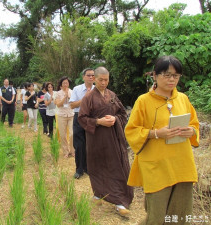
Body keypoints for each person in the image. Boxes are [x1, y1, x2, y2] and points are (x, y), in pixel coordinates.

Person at [125, 56, 199, 225]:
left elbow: (194, 123)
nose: (172, 79)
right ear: (155, 76)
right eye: (167, 75)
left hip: (182, 164)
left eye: (176, 75)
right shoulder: (143, 101)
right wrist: (157, 133)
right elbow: (132, 130)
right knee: (156, 217)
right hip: (156, 165)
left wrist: (191, 130)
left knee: (180, 215)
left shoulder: (183, 99)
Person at [78, 67, 133, 216]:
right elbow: (82, 118)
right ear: (94, 79)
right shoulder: (88, 97)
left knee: (117, 167)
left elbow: (122, 114)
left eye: (106, 80)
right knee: (97, 166)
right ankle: (98, 194)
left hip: (113, 139)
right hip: (96, 139)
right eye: (101, 80)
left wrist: (115, 119)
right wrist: (98, 122)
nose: (104, 82)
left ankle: (120, 201)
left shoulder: (112, 95)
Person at [69, 68, 95, 179]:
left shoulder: (98, 89)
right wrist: (85, 98)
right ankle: (79, 169)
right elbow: (72, 105)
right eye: (88, 75)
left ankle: (88, 168)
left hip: (93, 119)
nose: (91, 77)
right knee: (79, 145)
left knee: (91, 144)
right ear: (83, 77)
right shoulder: (77, 89)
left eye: (93, 75)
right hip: (79, 118)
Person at [55, 76, 74, 158]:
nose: (66, 84)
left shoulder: (72, 91)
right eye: (64, 83)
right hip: (61, 115)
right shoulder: (58, 93)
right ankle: (65, 151)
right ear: (61, 84)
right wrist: (65, 97)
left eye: (67, 83)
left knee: (72, 134)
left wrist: (69, 96)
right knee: (63, 135)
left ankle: (72, 151)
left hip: (71, 115)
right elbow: (58, 105)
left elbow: (74, 102)